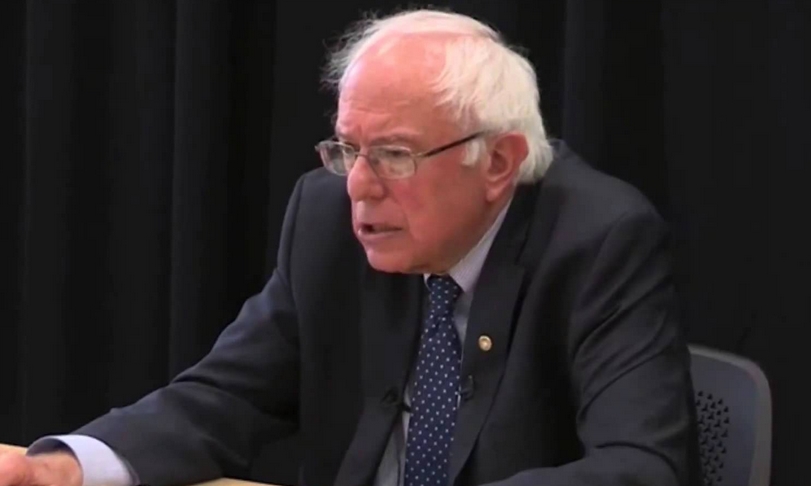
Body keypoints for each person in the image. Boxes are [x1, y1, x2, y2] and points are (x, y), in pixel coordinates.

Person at [0, 8, 701, 486]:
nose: (359, 186)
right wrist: (60, 468)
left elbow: (642, 465)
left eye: (394, 155)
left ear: (496, 163)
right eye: (348, 148)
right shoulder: (325, 214)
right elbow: (228, 396)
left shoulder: (598, 239)